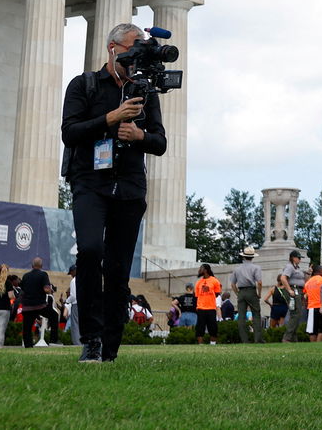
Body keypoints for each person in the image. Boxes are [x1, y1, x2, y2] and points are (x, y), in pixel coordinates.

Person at [60, 21, 168, 363]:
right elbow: (70, 132)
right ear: (113, 48)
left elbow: (161, 142)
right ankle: (90, 338)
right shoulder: (84, 84)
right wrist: (112, 117)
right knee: (90, 251)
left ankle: (110, 348)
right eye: (133, 48)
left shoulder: (144, 91)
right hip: (90, 181)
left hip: (130, 186)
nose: (137, 56)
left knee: (119, 269)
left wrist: (140, 137)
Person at [20, 257, 57, 348]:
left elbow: (23, 289)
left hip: (27, 306)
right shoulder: (43, 274)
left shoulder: (25, 276)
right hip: (39, 306)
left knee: (27, 327)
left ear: (32, 265)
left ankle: (28, 345)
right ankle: (53, 340)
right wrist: (50, 290)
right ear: (41, 266)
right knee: (54, 315)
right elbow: (46, 289)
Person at [231, 246, 263, 344]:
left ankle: (244, 340)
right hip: (251, 291)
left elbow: (232, 284)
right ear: (252, 257)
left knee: (241, 316)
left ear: (243, 257)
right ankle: (257, 339)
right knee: (256, 315)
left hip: (241, 292)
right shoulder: (256, 268)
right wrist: (259, 293)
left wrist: (237, 293)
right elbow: (260, 282)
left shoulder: (237, 269)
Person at [281, 250, 309, 342]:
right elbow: (283, 278)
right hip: (294, 290)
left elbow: (303, 279)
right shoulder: (289, 267)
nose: (300, 259)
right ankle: (287, 337)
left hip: (299, 290)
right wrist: (289, 290)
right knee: (295, 314)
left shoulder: (297, 267)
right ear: (293, 257)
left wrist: (308, 273)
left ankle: (293, 338)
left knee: (297, 314)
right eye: (298, 258)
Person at [194, 264, 222, 345]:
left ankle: (212, 344)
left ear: (206, 270)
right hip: (201, 308)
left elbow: (217, 294)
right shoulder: (198, 282)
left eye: (201, 269)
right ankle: (200, 344)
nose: (199, 270)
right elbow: (196, 296)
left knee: (213, 327)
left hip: (211, 308)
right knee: (200, 327)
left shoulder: (215, 281)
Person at [304, 265, 322, 342]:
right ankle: (318, 345)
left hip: (311, 307)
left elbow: (305, 295)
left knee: (312, 330)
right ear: (319, 271)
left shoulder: (308, 282)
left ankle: (313, 346)